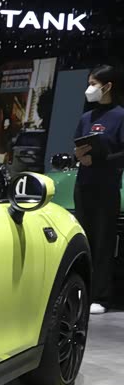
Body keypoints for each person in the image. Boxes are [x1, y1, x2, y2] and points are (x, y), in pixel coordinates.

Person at [73, 65, 124, 315]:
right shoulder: (86, 118)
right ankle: (79, 290)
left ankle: (101, 296)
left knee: (103, 242)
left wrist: (99, 160)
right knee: (83, 240)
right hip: (83, 185)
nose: (90, 88)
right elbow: (76, 144)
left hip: (106, 187)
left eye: (93, 83)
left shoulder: (120, 116)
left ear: (108, 86)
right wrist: (79, 156)